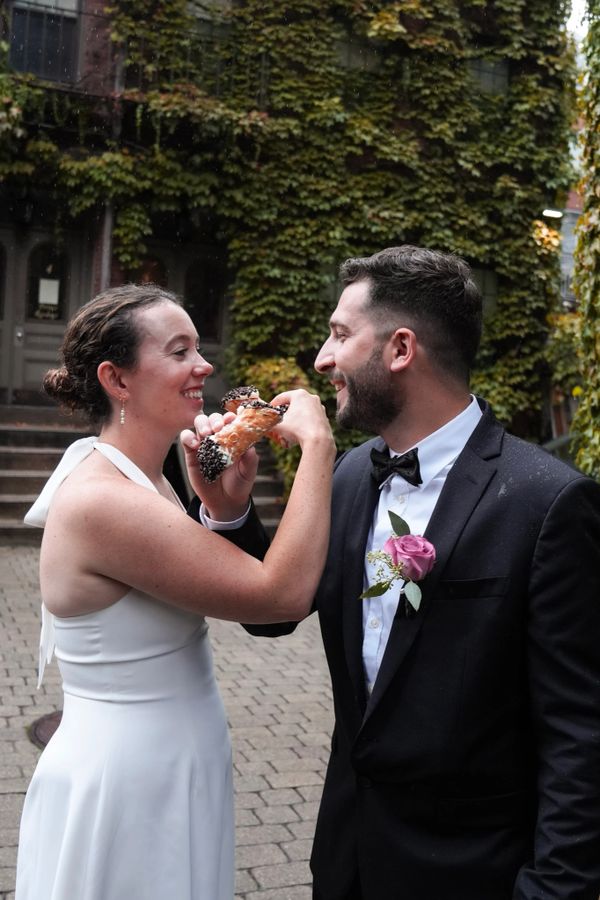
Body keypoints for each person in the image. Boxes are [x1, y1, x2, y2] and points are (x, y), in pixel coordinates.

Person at [202, 246, 600, 899]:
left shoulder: (547, 502)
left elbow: (579, 734)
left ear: (401, 349)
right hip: (348, 859)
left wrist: (553, 890)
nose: (322, 359)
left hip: (472, 874)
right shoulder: (349, 475)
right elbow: (274, 615)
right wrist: (231, 511)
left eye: (340, 335)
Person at [15, 283, 336, 900]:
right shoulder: (103, 500)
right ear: (117, 379)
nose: (204, 365)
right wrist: (318, 449)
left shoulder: (150, 479)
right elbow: (281, 595)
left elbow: (193, 574)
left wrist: (223, 508)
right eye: (180, 351)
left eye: (198, 347)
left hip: (173, 760)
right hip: (129, 780)